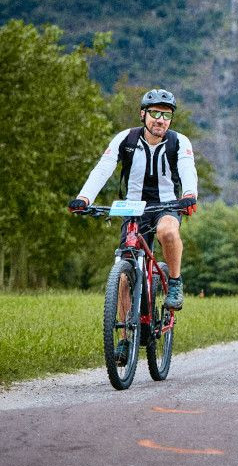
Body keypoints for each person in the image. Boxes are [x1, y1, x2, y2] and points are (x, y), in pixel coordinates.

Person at [69, 89, 198, 323]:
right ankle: (126, 334)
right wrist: (84, 198)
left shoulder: (179, 141)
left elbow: (188, 169)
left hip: (167, 205)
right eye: (155, 113)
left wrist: (189, 194)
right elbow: (103, 168)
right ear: (142, 114)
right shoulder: (125, 139)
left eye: (166, 115)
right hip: (132, 208)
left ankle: (175, 282)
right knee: (123, 274)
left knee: (168, 232)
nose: (160, 120)